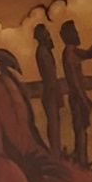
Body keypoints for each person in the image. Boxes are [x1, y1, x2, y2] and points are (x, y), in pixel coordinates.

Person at [59, 18, 92, 167]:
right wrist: (83, 99)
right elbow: (74, 82)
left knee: (82, 131)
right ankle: (82, 163)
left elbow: (90, 54)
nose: (78, 34)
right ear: (70, 35)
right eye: (75, 32)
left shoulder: (72, 51)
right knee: (80, 131)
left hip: (79, 97)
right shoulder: (69, 52)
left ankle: (83, 161)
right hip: (77, 98)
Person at [32, 23, 61, 154]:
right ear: (41, 36)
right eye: (46, 34)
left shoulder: (44, 51)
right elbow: (49, 75)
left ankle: (56, 152)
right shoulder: (42, 52)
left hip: (52, 91)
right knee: (53, 124)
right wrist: (54, 91)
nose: (49, 36)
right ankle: (55, 153)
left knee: (55, 123)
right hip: (50, 91)